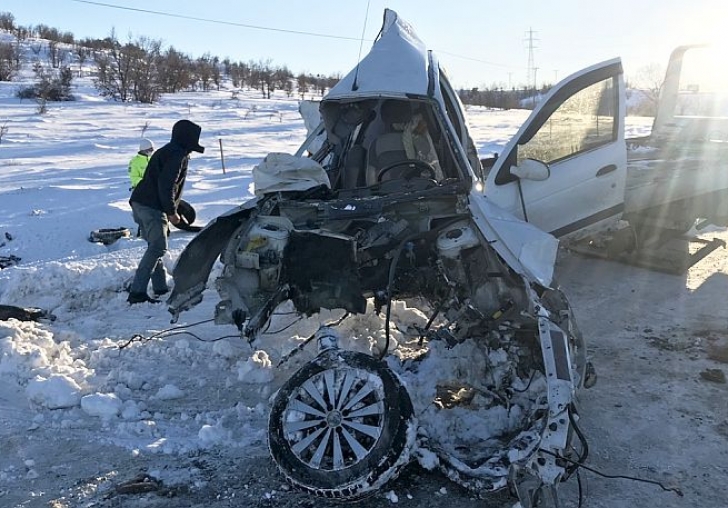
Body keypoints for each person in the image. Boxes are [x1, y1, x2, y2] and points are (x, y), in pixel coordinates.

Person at [127, 120, 205, 305]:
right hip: (150, 207)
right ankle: (137, 293)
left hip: (139, 203)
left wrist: (178, 206)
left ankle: (160, 287)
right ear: (187, 138)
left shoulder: (167, 150)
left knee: (154, 246)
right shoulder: (177, 155)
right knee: (158, 247)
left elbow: (161, 184)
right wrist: (171, 211)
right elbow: (166, 185)